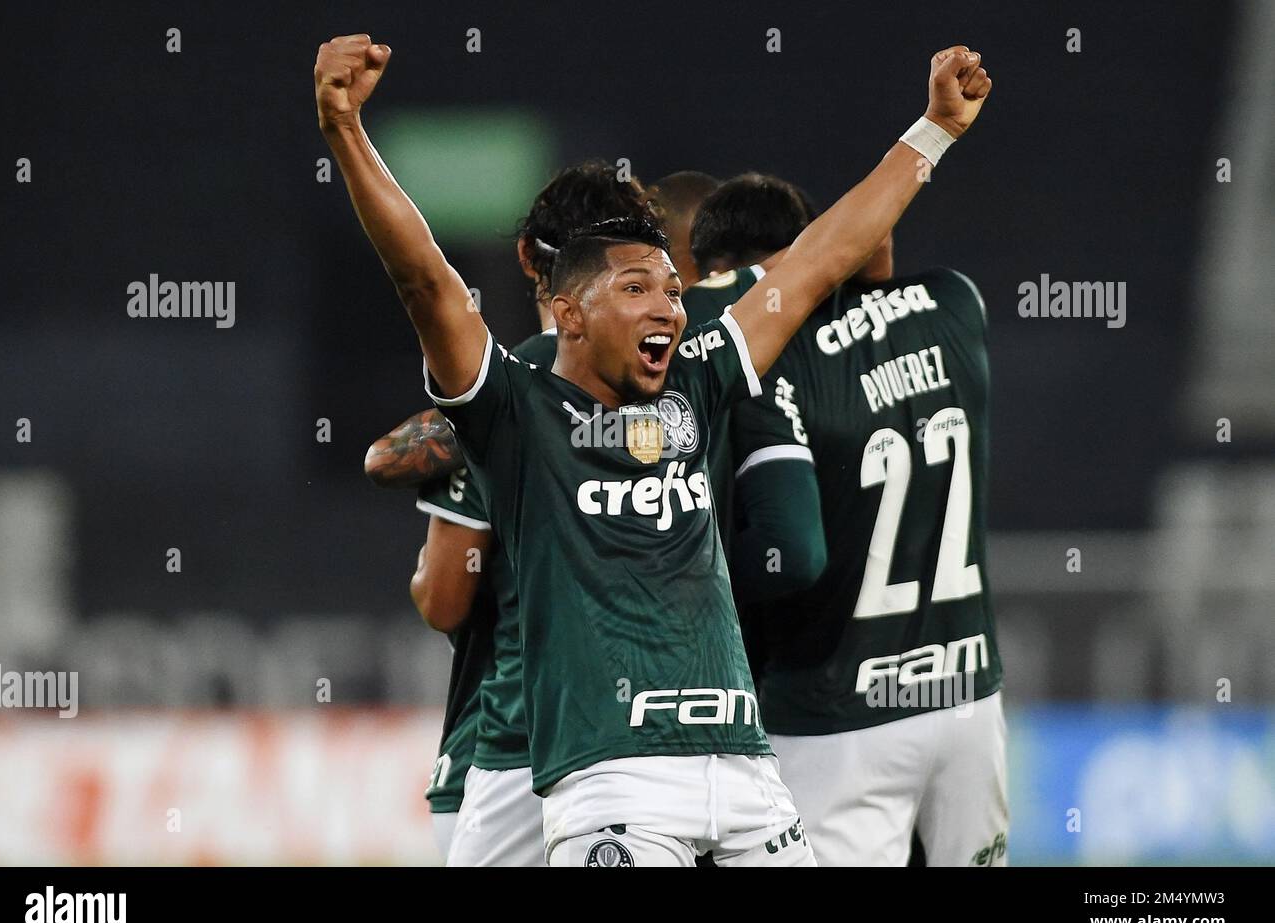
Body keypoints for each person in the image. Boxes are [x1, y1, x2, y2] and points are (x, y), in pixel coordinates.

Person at [315, 32, 991, 865]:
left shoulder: (700, 380)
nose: (668, 308)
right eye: (636, 290)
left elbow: (820, 259)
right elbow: (424, 278)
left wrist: (934, 129)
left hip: (749, 777)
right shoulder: (516, 408)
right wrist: (344, 128)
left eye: (671, 289)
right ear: (569, 312)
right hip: (616, 783)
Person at [690, 173, 1008, 866]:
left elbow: (790, 552)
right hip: (968, 697)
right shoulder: (956, 301)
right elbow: (876, 251)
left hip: (836, 710)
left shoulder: (773, 365)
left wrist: (693, 580)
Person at [367, 161, 659, 864]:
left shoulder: (501, 399)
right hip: (667, 746)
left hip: (509, 750)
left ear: (529, 257)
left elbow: (442, 598)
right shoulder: (682, 389)